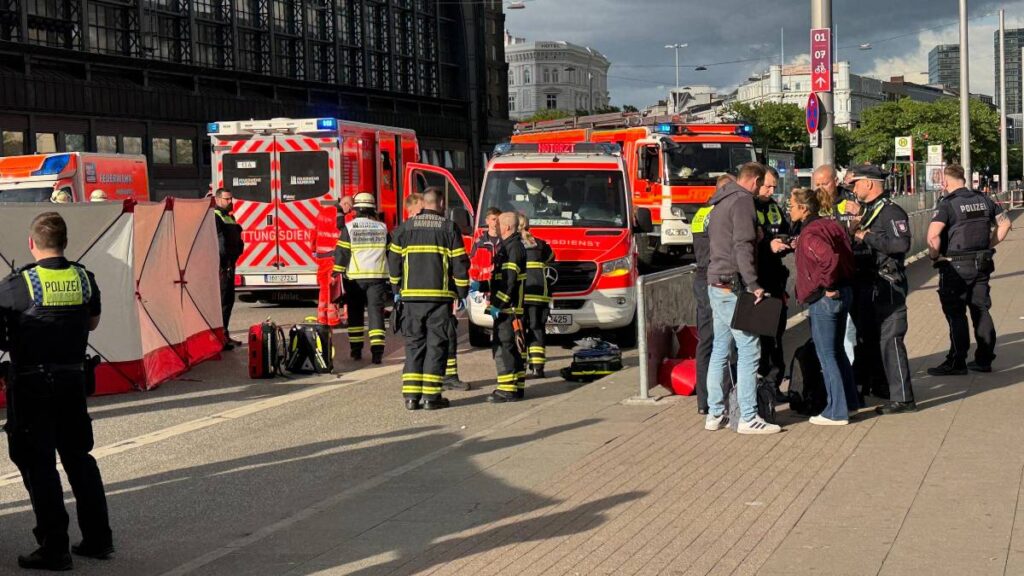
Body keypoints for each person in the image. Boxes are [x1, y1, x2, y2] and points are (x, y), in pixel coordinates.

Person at [1, 212, 113, 570]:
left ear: (32, 244)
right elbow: (92, 321)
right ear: (64, 243)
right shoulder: (83, 277)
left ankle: (54, 547)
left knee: (40, 466)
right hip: (73, 381)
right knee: (80, 459)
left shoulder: (17, 284)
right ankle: (98, 539)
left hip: (32, 385)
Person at [704, 162, 781, 434]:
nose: (767, 189)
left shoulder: (721, 201)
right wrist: (753, 284)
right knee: (749, 348)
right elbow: (743, 245)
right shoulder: (743, 201)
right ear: (755, 181)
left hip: (716, 282)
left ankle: (715, 413)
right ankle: (748, 417)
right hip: (733, 285)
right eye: (765, 184)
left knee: (720, 350)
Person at [926, 164, 1012, 375]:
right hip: (982, 263)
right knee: (981, 310)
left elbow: (933, 235)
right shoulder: (984, 199)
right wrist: (989, 245)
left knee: (956, 314)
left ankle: (957, 362)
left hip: (955, 265)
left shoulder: (948, 204)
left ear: (945, 182)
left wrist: (934, 256)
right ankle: (984, 360)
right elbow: (1005, 224)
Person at [388, 188, 469, 410]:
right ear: (441, 203)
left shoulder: (404, 228)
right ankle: (431, 398)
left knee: (414, 345)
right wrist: (462, 293)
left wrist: (397, 289)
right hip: (439, 299)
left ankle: (411, 398)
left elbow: (393, 262)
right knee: (436, 345)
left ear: (423, 203)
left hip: (411, 299)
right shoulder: (449, 228)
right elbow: (460, 264)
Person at [848, 164, 916, 414]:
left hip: (888, 286)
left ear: (868, 183)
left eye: (855, 183)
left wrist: (866, 236)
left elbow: (900, 244)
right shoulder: (869, 211)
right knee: (870, 340)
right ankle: (879, 387)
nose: (853, 188)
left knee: (891, 341)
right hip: (869, 284)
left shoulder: (891, 212)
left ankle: (904, 399)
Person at [789, 188, 859, 425]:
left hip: (825, 298)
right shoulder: (832, 225)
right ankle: (849, 403)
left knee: (826, 354)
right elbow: (846, 253)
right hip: (845, 291)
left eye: (792, 205)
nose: (789, 209)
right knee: (838, 351)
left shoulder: (810, 233)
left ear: (803, 208)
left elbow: (829, 258)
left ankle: (835, 411)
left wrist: (828, 284)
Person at [691, 174, 734, 415]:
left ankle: (704, 401)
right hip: (716, 278)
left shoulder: (701, 213)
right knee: (721, 341)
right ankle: (718, 397)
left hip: (702, 276)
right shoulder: (720, 214)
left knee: (707, 340)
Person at [811, 164, 859, 366]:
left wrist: (860, 214)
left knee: (851, 331)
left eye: (825, 183)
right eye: (817, 184)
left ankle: (854, 375)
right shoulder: (813, 203)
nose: (821, 188)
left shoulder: (850, 199)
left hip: (851, 274)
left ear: (836, 181)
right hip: (825, 280)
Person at [335, 192, 390, 364]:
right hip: (377, 278)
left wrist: (335, 273)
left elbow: (342, 253)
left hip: (354, 280)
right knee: (376, 314)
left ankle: (356, 350)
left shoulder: (349, 228)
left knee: (356, 314)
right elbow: (391, 252)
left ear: (356, 209)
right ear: (373, 208)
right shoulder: (382, 228)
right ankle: (377, 352)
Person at [754, 166, 791, 396]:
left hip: (776, 280)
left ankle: (774, 384)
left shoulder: (774, 207)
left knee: (776, 337)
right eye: (767, 186)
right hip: (757, 281)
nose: (770, 191)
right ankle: (761, 385)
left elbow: (784, 230)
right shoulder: (748, 206)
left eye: (774, 187)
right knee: (761, 339)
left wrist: (788, 243)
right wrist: (768, 245)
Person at [487, 212, 527, 403]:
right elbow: (501, 278)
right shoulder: (510, 246)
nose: (495, 225)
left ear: (508, 227)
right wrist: (484, 286)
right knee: (513, 348)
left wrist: (498, 304)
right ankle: (516, 386)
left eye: (499, 223)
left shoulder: (513, 248)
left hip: (508, 308)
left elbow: (509, 282)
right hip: (510, 307)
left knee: (504, 347)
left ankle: (506, 389)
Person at [519, 214, 554, 378]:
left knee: (520, 330)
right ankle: (538, 367)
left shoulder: (514, 246)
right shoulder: (541, 244)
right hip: (540, 295)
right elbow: (551, 258)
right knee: (537, 329)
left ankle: (521, 367)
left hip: (521, 295)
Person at [213, 188, 244, 350]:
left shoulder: (229, 217)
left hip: (231, 264)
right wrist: (225, 265)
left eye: (231, 199)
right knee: (223, 301)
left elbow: (236, 240)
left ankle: (224, 334)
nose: (230, 202)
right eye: (226, 199)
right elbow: (220, 244)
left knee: (229, 300)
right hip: (223, 267)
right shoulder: (216, 216)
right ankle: (221, 337)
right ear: (218, 199)